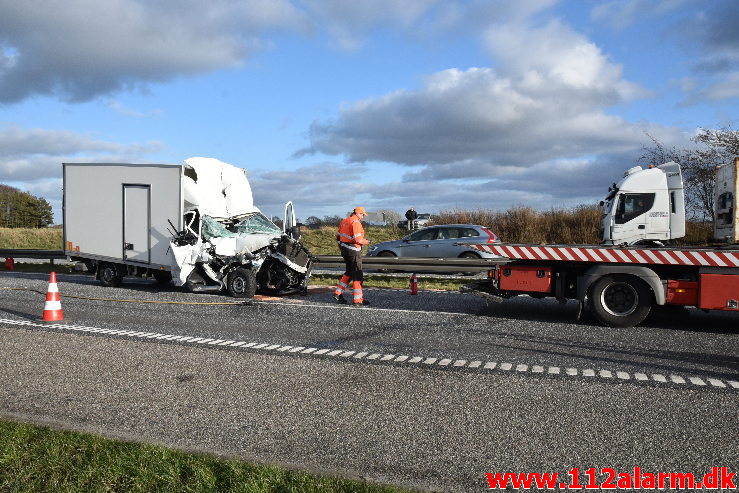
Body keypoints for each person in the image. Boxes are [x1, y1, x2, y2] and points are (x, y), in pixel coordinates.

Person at [334, 207, 370, 306]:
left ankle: (338, 293)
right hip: (354, 252)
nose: (363, 217)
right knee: (357, 275)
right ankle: (358, 300)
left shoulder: (344, 221)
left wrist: (342, 248)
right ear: (358, 213)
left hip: (345, 251)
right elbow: (358, 239)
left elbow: (337, 236)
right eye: (362, 214)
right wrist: (367, 241)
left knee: (349, 272)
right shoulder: (356, 222)